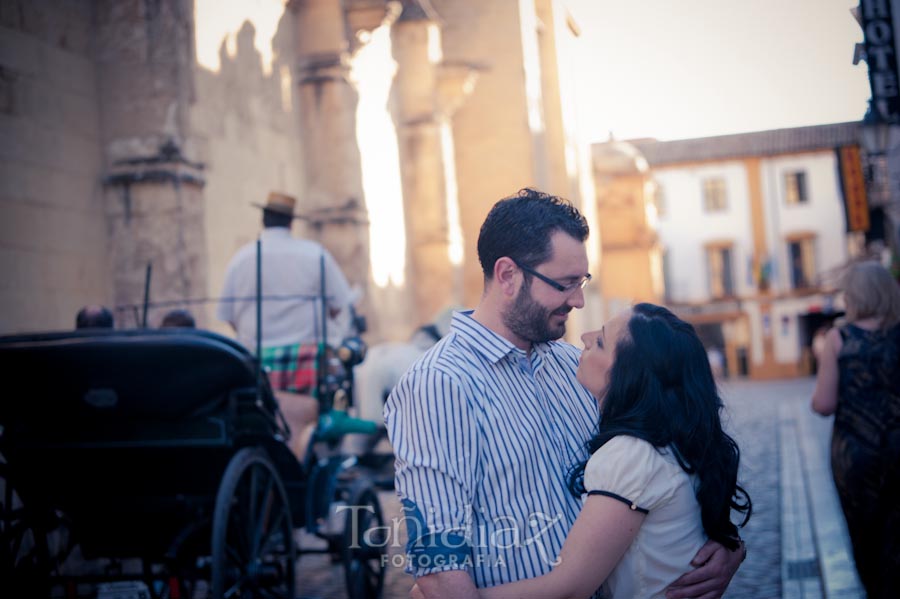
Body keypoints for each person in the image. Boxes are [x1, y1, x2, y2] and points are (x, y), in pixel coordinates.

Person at [385, 188, 745, 599]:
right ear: (507, 275)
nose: (577, 300)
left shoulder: (574, 364)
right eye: (565, 284)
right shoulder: (439, 384)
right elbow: (440, 563)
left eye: (582, 282)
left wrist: (727, 543)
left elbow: (669, 454)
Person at [218, 191, 353, 457]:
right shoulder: (315, 255)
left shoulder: (241, 259)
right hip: (305, 362)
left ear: (263, 219)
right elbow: (339, 306)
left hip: (255, 364)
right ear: (291, 222)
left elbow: (229, 316)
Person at [811, 260, 900, 598]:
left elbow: (823, 404)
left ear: (853, 296)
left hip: (855, 457)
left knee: (866, 538)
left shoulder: (839, 338)